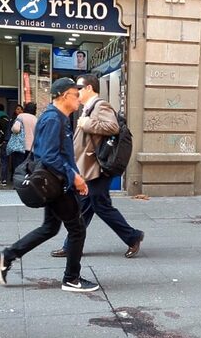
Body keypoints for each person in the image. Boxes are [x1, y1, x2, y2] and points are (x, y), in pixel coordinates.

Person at [0, 78, 98, 292]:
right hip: (56, 182)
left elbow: (62, 154)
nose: (78, 98)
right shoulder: (53, 119)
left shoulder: (59, 117)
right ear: (63, 96)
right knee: (77, 229)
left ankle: (7, 256)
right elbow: (49, 156)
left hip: (56, 181)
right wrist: (74, 177)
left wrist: (76, 176)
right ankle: (71, 279)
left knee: (50, 227)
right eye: (75, 94)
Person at [51, 74, 144, 259]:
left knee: (100, 205)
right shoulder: (88, 107)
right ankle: (71, 245)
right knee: (85, 207)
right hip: (90, 167)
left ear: (89, 89)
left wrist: (87, 124)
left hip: (98, 167)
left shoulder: (101, 105)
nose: (76, 92)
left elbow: (113, 127)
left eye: (79, 88)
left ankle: (133, 236)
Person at [10, 102, 38, 172]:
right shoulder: (36, 119)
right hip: (31, 149)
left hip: (20, 147)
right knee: (28, 170)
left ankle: (18, 182)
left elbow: (16, 129)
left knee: (18, 169)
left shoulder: (21, 116)